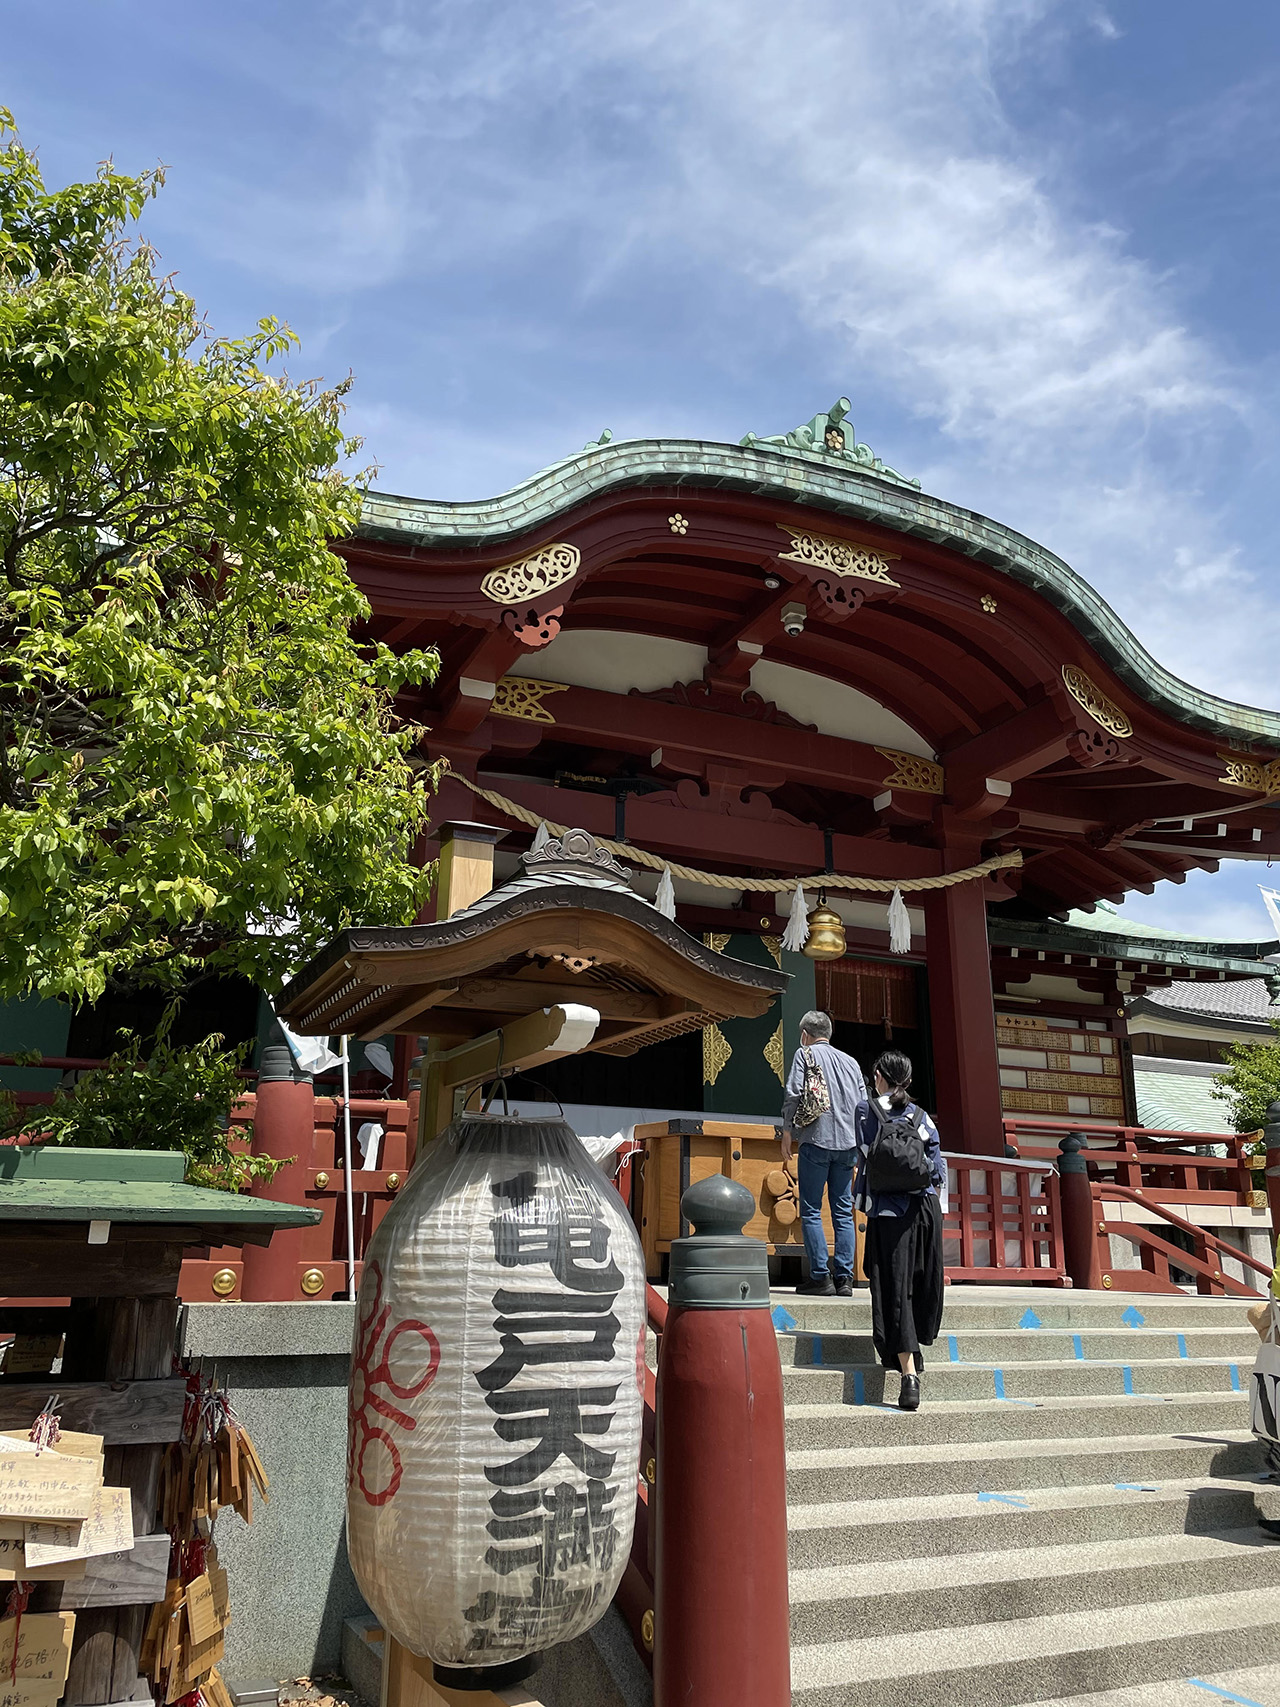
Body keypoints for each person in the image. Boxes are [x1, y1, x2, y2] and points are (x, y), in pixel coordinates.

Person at [854, 1050, 946, 1411]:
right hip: (925, 1210)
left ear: (878, 1075)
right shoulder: (921, 1117)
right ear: (907, 1080)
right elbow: (936, 1168)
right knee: (919, 1283)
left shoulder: (867, 1111)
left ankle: (908, 1374)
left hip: (889, 1213)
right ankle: (912, 1350)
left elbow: (864, 1152)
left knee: (893, 1287)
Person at [780, 1010, 866, 1297]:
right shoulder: (851, 1062)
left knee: (811, 1210)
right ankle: (845, 1279)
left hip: (816, 1139)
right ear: (829, 1033)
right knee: (843, 1211)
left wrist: (787, 1132)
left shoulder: (804, 1055)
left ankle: (820, 1276)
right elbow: (864, 1105)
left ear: (805, 1034)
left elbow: (793, 1093)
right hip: (849, 1144)